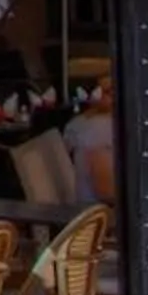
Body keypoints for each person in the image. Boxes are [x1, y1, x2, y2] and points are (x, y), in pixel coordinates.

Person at [62, 77, 116, 206]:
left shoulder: (110, 123)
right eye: (108, 92)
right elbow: (107, 193)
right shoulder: (96, 128)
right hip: (100, 213)